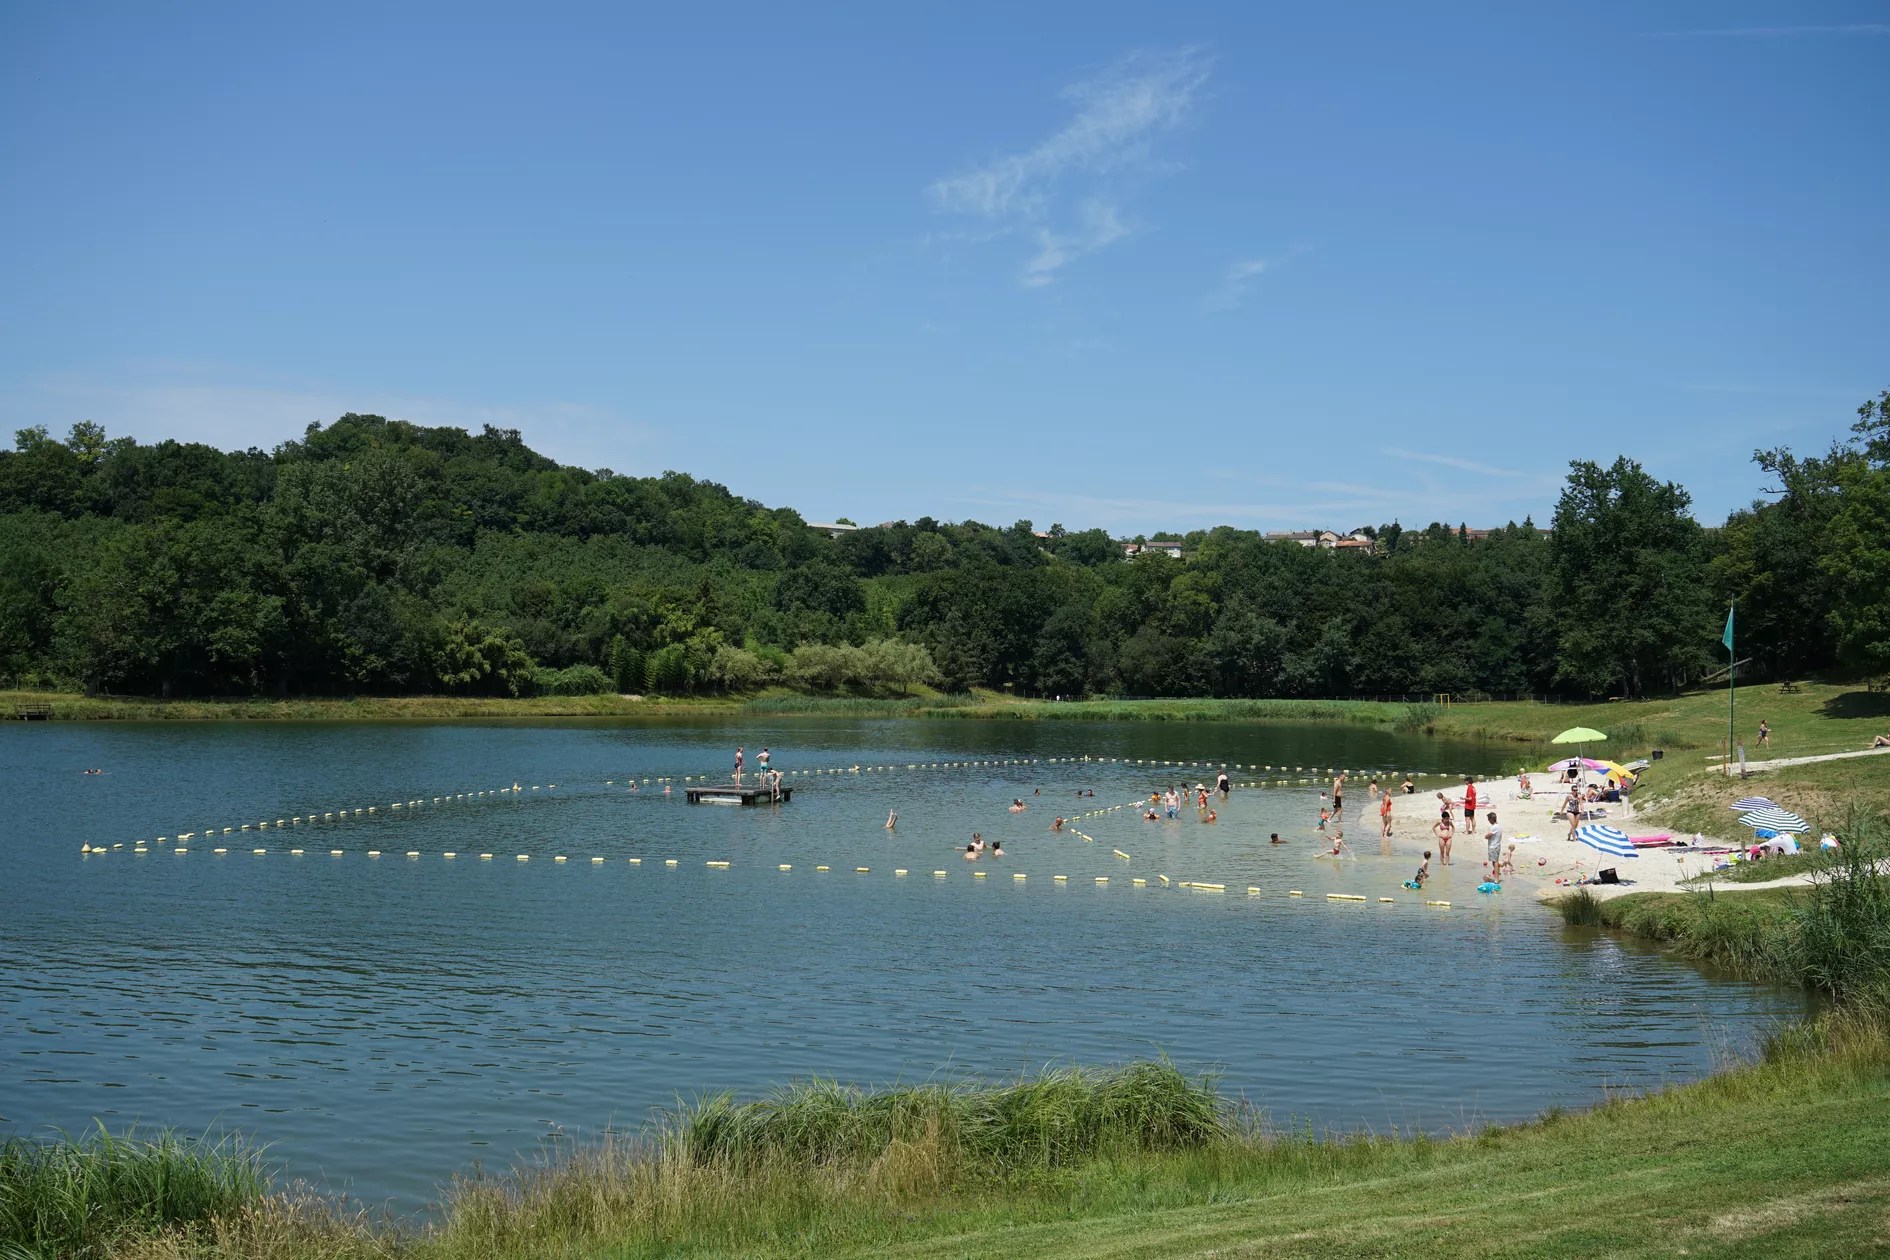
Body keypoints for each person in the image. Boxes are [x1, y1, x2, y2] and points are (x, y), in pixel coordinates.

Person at [1484, 810, 1504, 876]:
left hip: (1493, 846)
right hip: (1497, 845)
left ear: (1491, 819)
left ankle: (1497, 874)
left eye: (1489, 819)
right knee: (1495, 861)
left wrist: (1485, 836)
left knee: (1494, 862)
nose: (1489, 821)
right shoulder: (1499, 826)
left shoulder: (1494, 827)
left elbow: (1488, 835)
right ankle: (1498, 871)